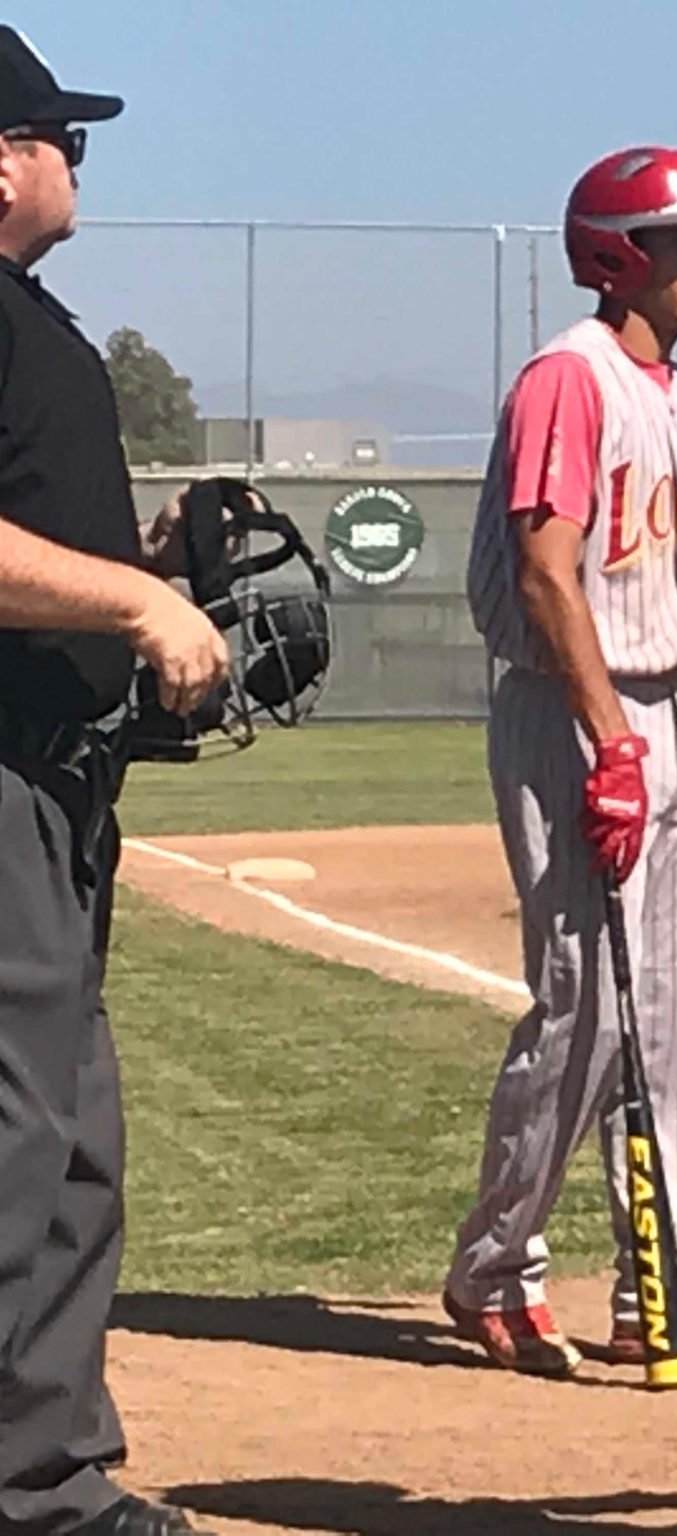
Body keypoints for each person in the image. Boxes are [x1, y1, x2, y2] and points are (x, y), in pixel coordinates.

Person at [451, 145, 677, 1379]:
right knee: (586, 1008)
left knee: (673, 1012)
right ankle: (496, 1267)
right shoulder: (570, 378)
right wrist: (605, 737)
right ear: (618, 254)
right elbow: (547, 573)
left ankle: (664, 1276)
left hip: (671, 714)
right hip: (575, 709)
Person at [0, 28, 235, 1536]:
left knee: (71, 1127)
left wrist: (156, 565)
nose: (73, 158)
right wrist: (142, 609)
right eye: (51, 135)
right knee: (20, 1129)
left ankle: (50, 1474)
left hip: (55, 777)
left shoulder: (26, 321)